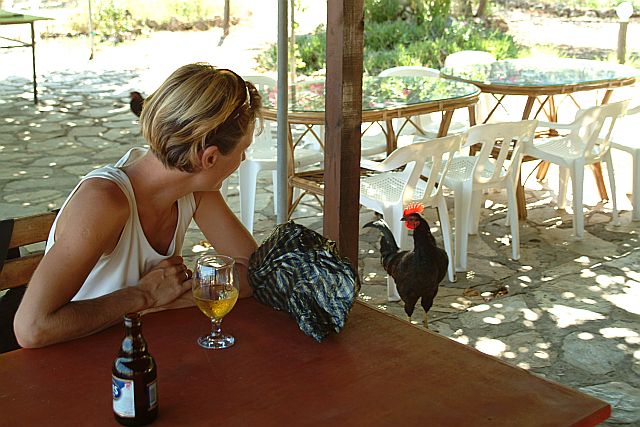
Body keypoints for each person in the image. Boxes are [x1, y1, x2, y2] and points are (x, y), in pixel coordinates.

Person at [14, 63, 262, 348]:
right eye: (243, 149)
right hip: (74, 364)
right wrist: (144, 296)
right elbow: (31, 328)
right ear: (209, 158)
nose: (242, 160)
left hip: (141, 349)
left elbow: (255, 272)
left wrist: (173, 293)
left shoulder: (194, 190)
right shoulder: (104, 201)